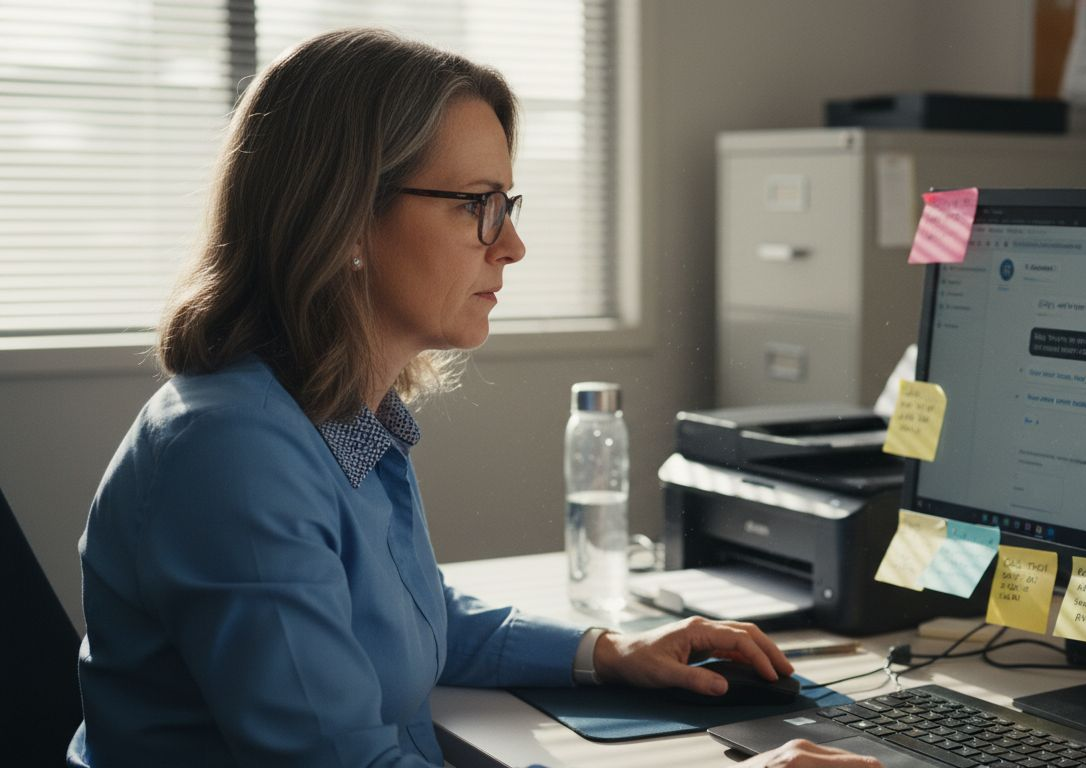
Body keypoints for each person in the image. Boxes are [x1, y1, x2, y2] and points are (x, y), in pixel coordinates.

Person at [66, 28, 879, 768]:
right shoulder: (234, 454)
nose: (512, 245)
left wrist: (610, 652)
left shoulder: (333, 412)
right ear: (344, 218)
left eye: (506, 205)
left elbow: (408, 619)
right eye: (475, 205)